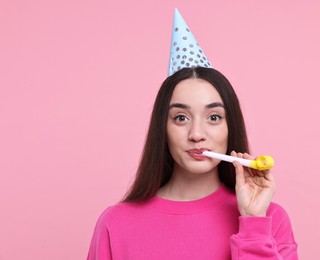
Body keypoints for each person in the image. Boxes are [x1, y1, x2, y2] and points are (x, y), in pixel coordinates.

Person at [87, 67, 298, 259]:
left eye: (214, 117)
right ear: (163, 129)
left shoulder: (270, 220)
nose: (196, 134)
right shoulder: (115, 224)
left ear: (230, 127)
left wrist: (253, 224)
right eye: (181, 118)